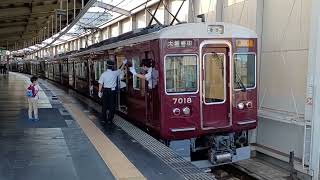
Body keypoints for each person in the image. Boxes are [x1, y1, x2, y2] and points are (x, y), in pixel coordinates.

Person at [98, 59, 127, 124]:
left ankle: (103, 119)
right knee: (112, 105)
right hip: (112, 91)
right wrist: (124, 63)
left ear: (106, 66)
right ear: (112, 66)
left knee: (104, 105)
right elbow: (121, 69)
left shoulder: (103, 74)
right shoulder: (115, 73)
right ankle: (110, 120)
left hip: (105, 91)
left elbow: (100, 84)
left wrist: (99, 92)